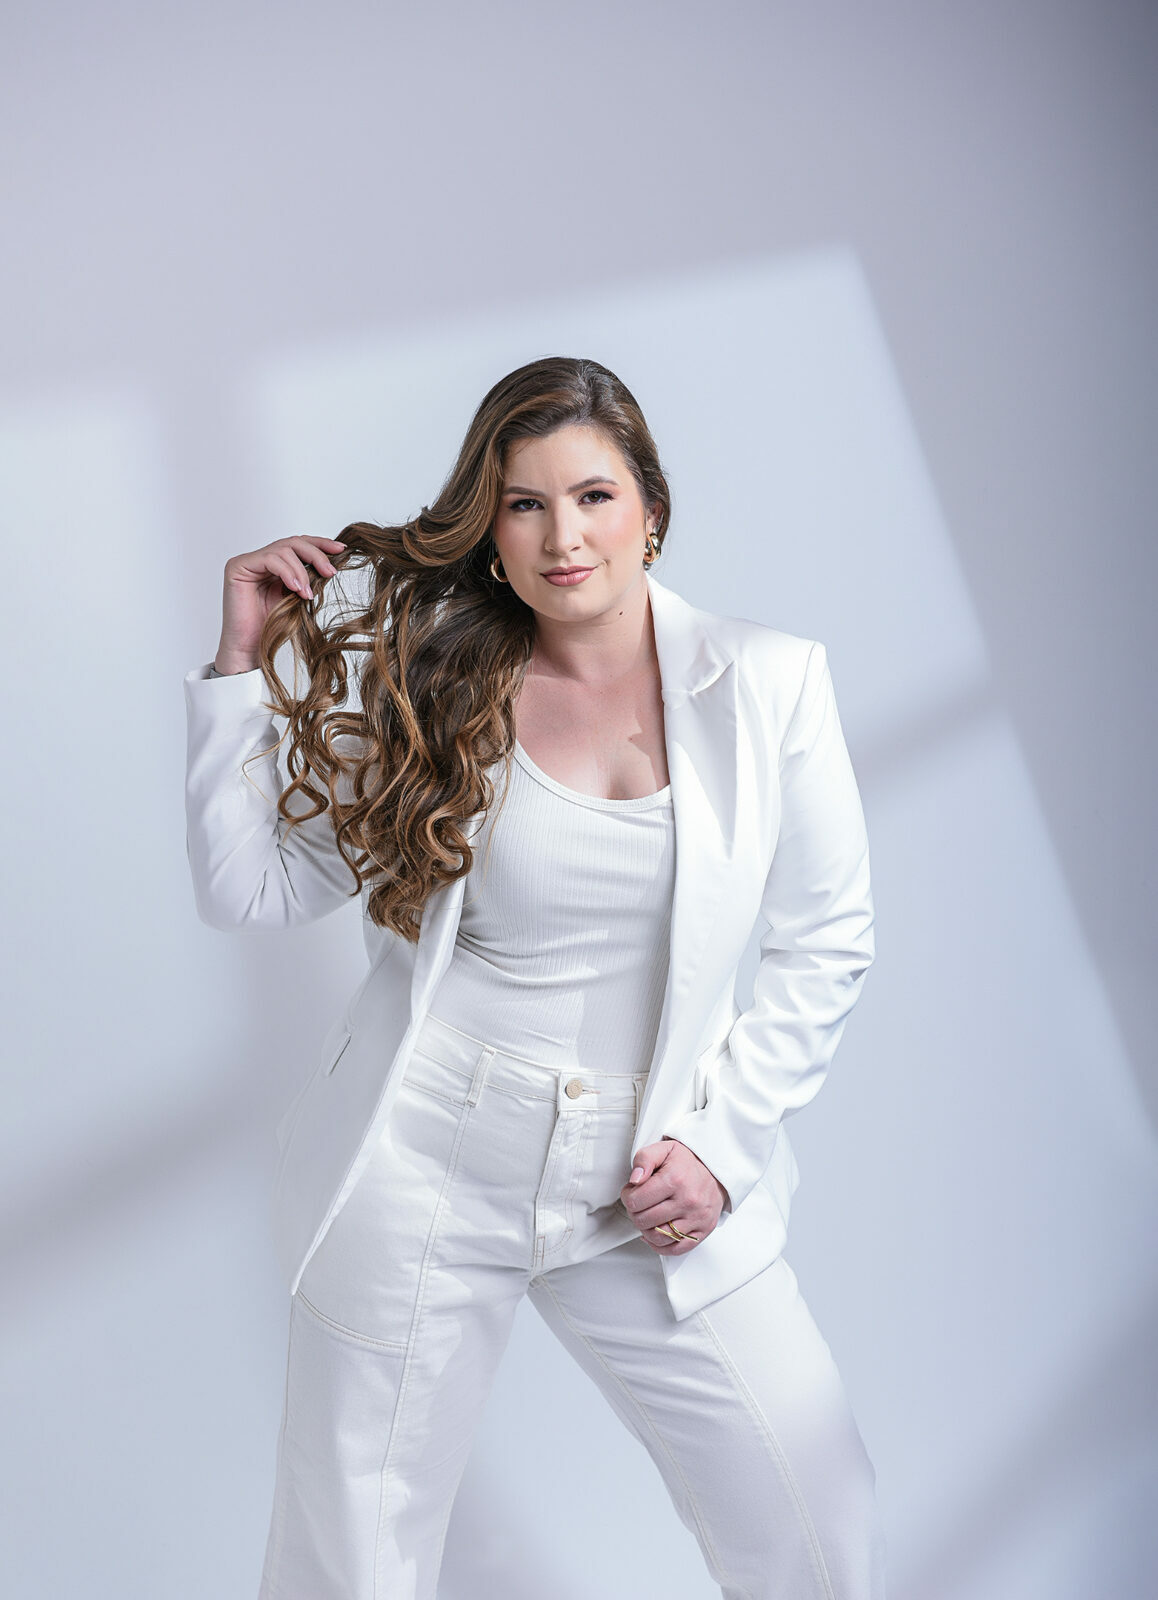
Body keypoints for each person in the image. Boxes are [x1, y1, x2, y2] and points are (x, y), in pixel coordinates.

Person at [183, 355, 887, 1599]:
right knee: (352, 1563)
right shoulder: (433, 688)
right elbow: (252, 890)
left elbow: (828, 935)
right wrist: (240, 668)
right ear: (491, 532)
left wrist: (723, 1145)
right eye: (524, 504)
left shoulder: (770, 681)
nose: (564, 537)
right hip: (427, 1158)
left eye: (594, 496)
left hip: (650, 1177)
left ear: (650, 509)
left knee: (814, 1516)